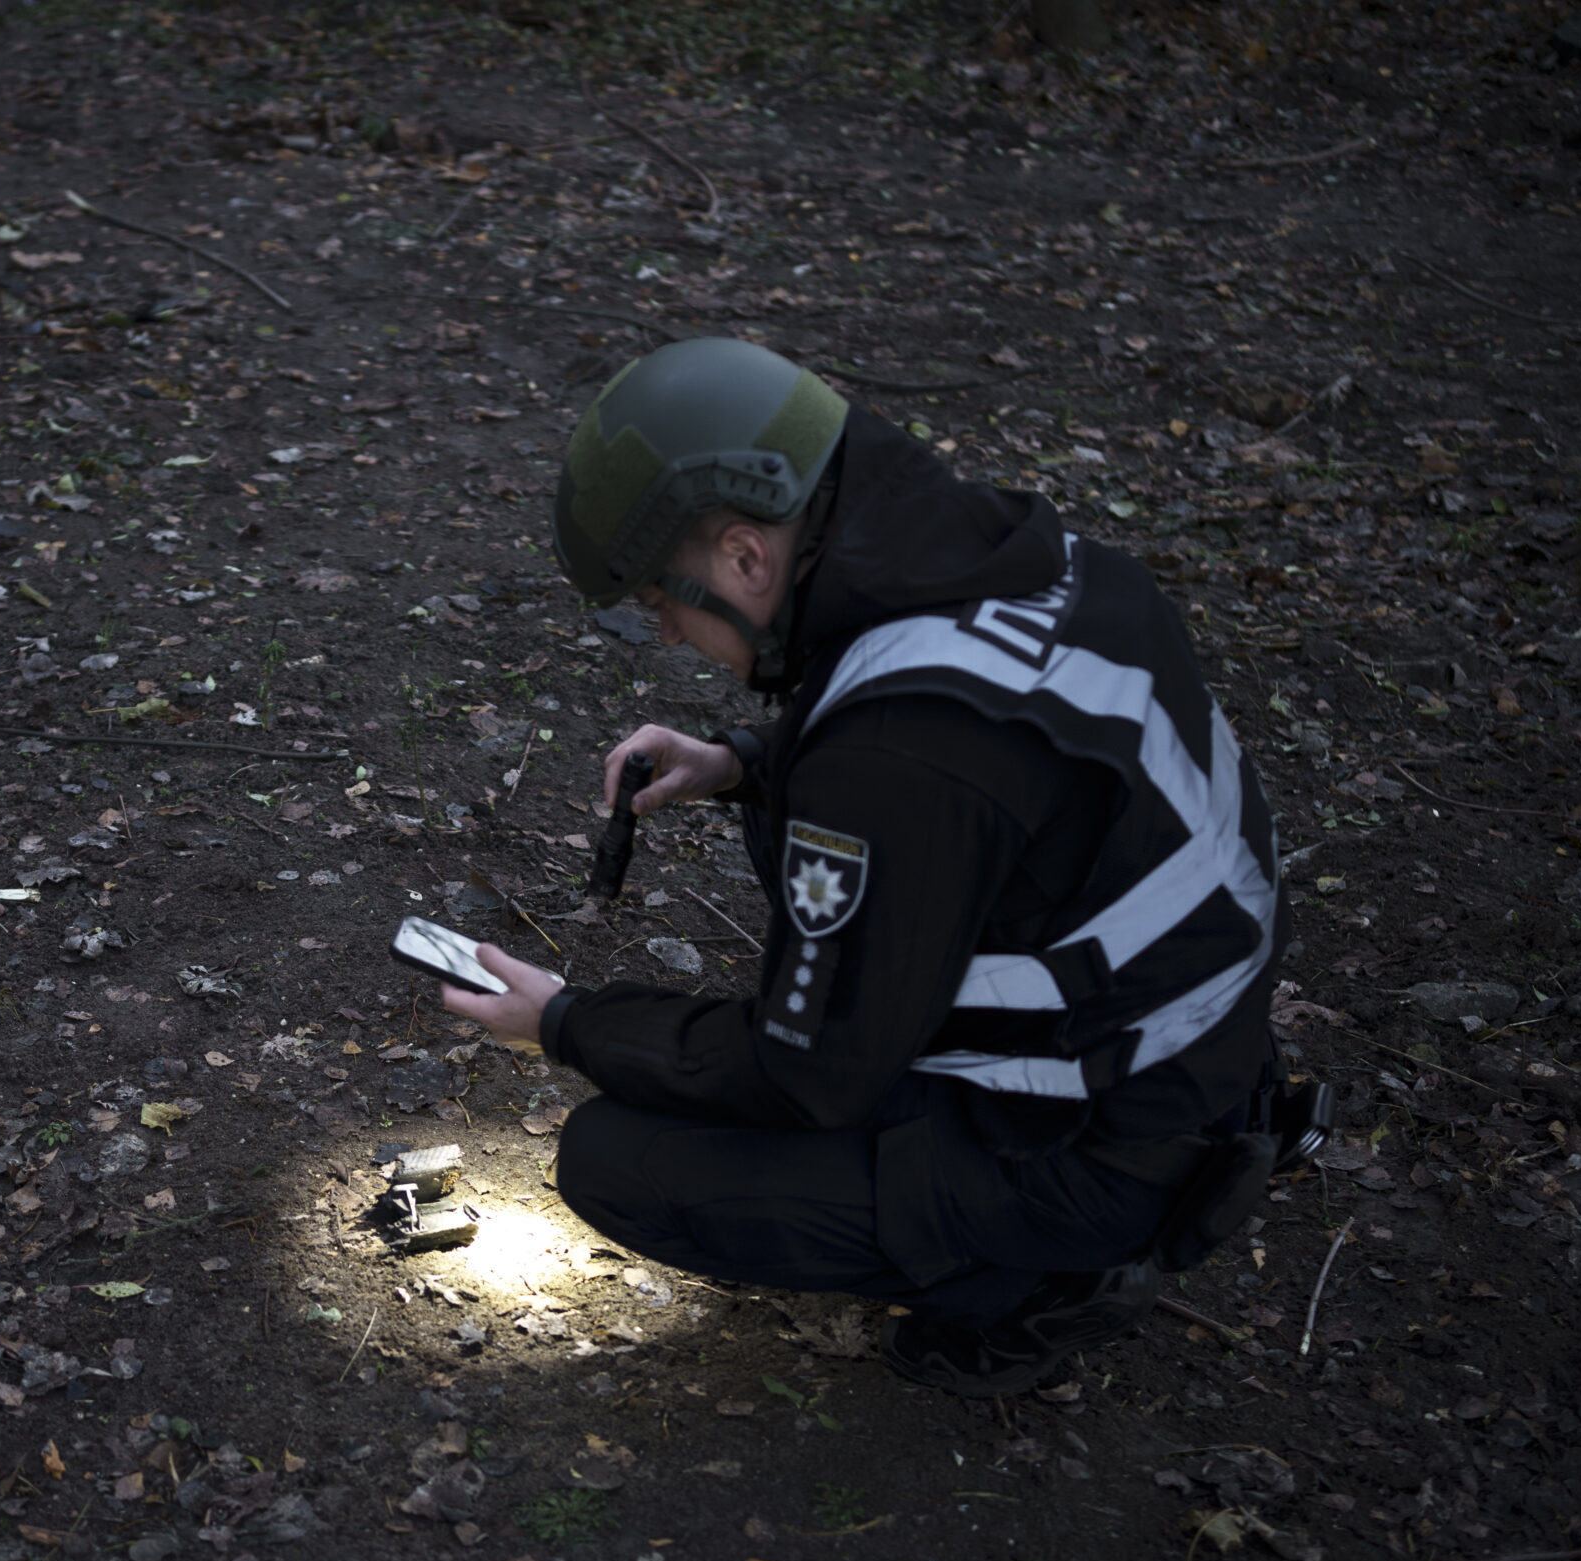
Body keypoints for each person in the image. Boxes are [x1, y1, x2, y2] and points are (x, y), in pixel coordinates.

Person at [443, 338, 1295, 1397]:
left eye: (663, 602)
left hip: (1097, 1145)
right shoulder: (1039, 564)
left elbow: (807, 1072)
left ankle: (1037, 1286)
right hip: (1192, 1063)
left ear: (748, 557)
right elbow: (1005, 775)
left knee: (616, 1160)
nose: (663, 634)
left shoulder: (893, 762)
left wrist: (567, 1023)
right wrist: (745, 765)